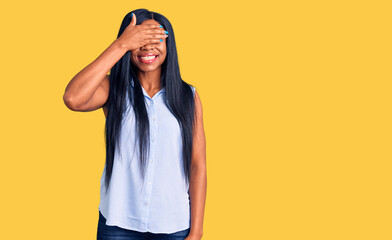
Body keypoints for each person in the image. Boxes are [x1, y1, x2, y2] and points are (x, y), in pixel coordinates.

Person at [63, 9, 207, 240]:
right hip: (119, 225)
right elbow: (73, 98)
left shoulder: (188, 96)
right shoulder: (113, 90)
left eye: (155, 39)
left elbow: (197, 165)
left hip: (173, 225)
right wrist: (120, 45)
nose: (147, 47)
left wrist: (197, 231)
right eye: (139, 40)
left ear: (169, 45)